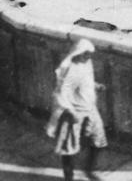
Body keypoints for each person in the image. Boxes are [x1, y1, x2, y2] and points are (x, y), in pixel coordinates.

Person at [45, 39, 107, 181]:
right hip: (73, 112)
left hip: (90, 108)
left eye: (89, 54)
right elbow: (62, 93)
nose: (88, 57)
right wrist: (70, 111)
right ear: (78, 53)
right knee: (68, 149)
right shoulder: (71, 69)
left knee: (99, 139)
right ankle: (69, 178)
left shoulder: (87, 64)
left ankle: (90, 169)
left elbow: (86, 81)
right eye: (85, 54)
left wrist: (96, 86)